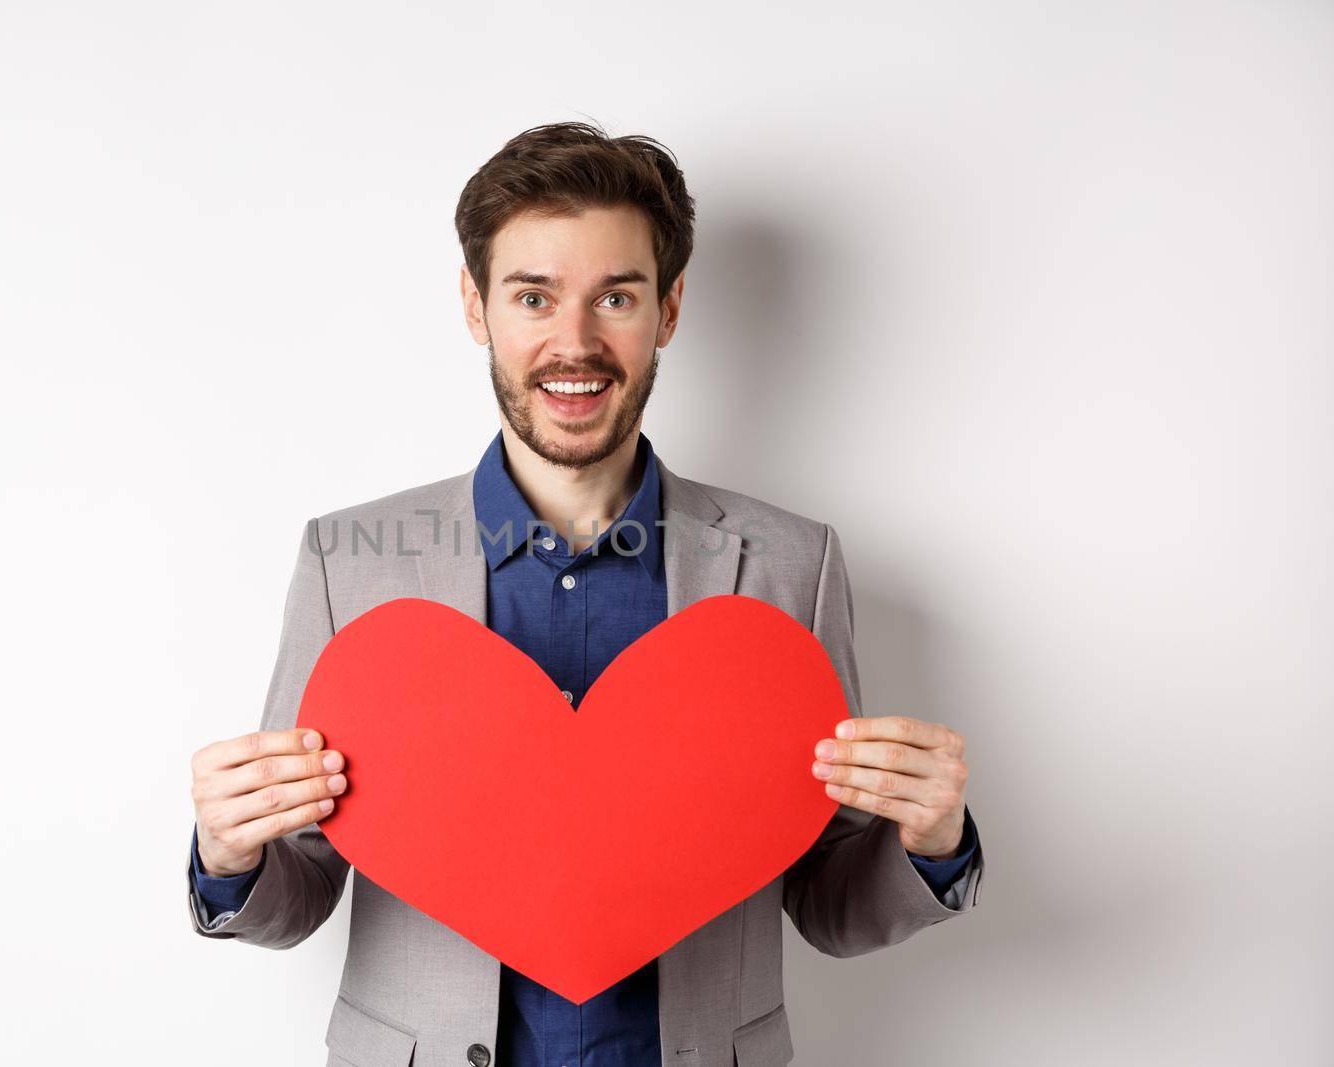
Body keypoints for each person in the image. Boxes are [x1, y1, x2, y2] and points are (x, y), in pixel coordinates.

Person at [185, 121, 983, 1067]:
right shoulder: (348, 563)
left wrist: (929, 841)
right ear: (478, 307)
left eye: (616, 296)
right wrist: (231, 856)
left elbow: (825, 898)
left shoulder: (789, 565)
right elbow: (303, 886)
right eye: (534, 296)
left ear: (670, 308)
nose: (576, 342)